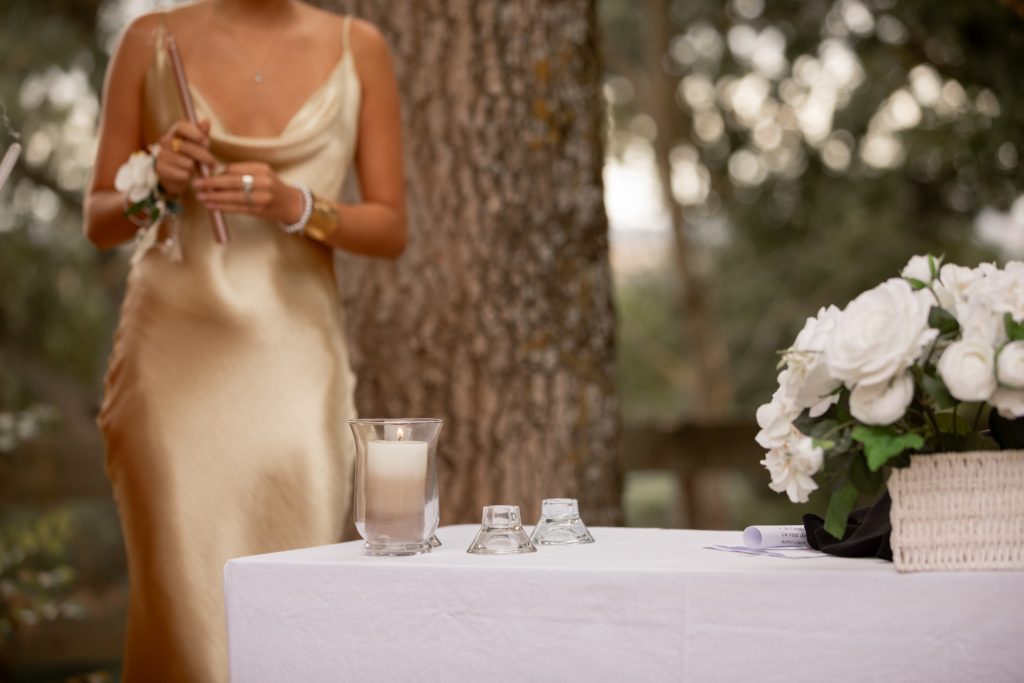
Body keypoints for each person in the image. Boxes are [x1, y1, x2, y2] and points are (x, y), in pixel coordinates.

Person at [83, 0, 405, 680]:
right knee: (183, 611)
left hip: (298, 366)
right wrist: (156, 183)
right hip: (173, 366)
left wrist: (299, 206)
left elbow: (389, 227)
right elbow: (100, 219)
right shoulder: (149, 41)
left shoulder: (359, 47)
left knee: (299, 598)